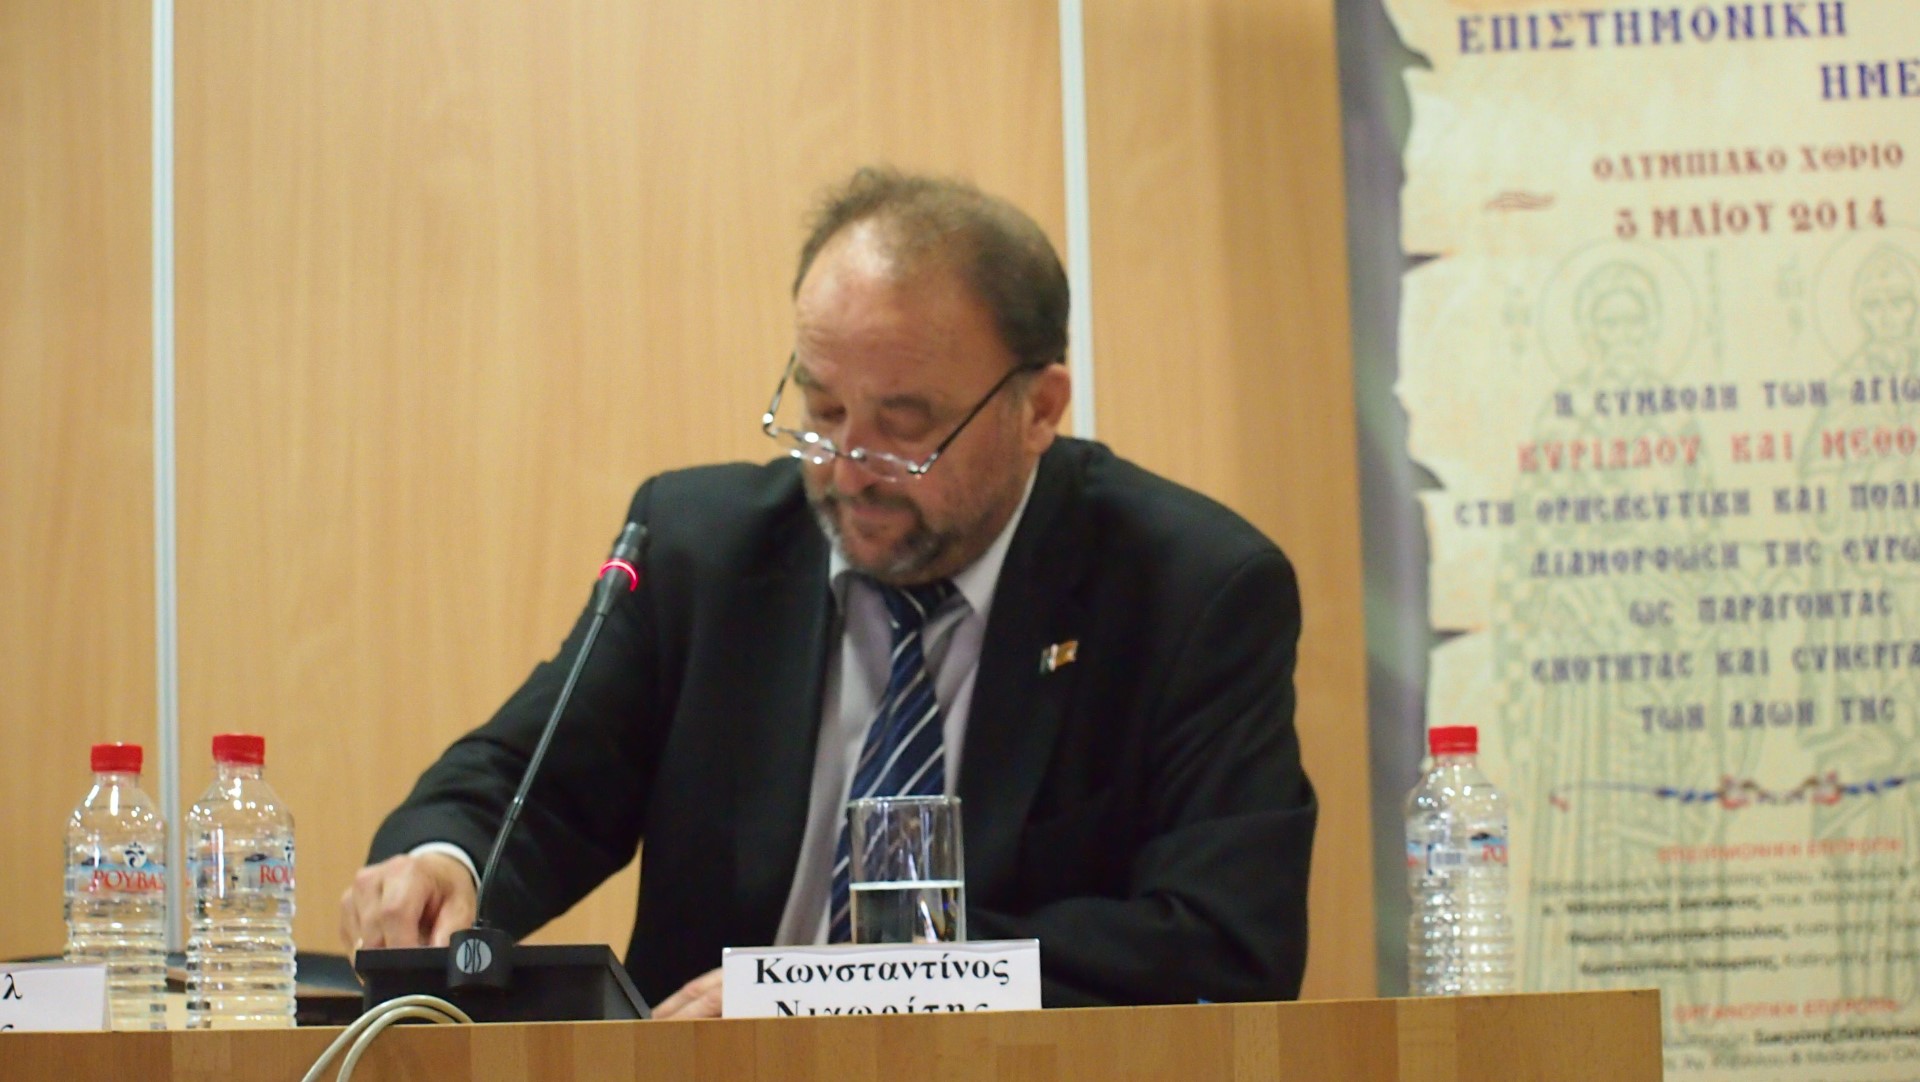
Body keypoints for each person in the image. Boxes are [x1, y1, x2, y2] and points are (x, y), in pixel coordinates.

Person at [339, 166, 1316, 1016]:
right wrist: (445, 862)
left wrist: (840, 988)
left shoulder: (1191, 591)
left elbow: (1224, 939)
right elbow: (532, 783)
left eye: (905, 423)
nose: (848, 467)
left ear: (1039, 408)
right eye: (821, 406)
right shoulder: (703, 550)